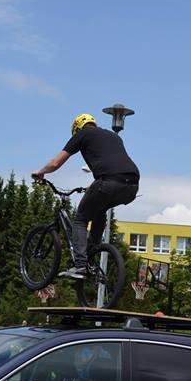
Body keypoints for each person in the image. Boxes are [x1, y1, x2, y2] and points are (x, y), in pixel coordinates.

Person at [31, 112, 139, 279]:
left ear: (77, 128)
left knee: (80, 220)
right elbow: (113, 163)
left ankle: (80, 265)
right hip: (131, 186)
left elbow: (55, 163)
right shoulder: (114, 136)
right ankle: (91, 254)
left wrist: (41, 172)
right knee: (99, 211)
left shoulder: (83, 134)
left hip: (108, 182)